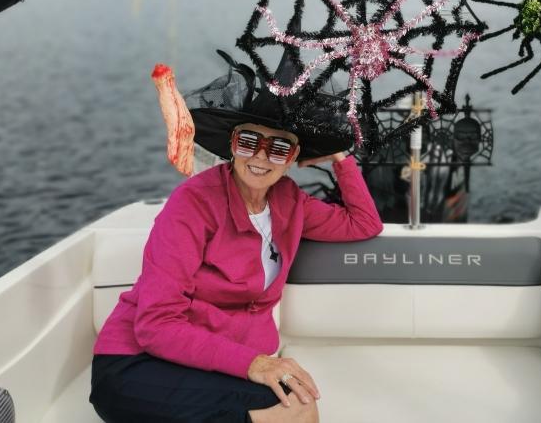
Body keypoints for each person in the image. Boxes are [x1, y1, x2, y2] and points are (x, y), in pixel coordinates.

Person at [90, 55, 383, 423]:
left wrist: (340, 158)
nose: (261, 156)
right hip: (136, 364)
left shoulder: (290, 202)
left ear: (292, 157)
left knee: (297, 402)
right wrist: (255, 363)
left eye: (279, 148)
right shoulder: (193, 204)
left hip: (211, 365)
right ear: (232, 144)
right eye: (249, 141)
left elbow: (363, 223)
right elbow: (156, 325)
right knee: (294, 409)